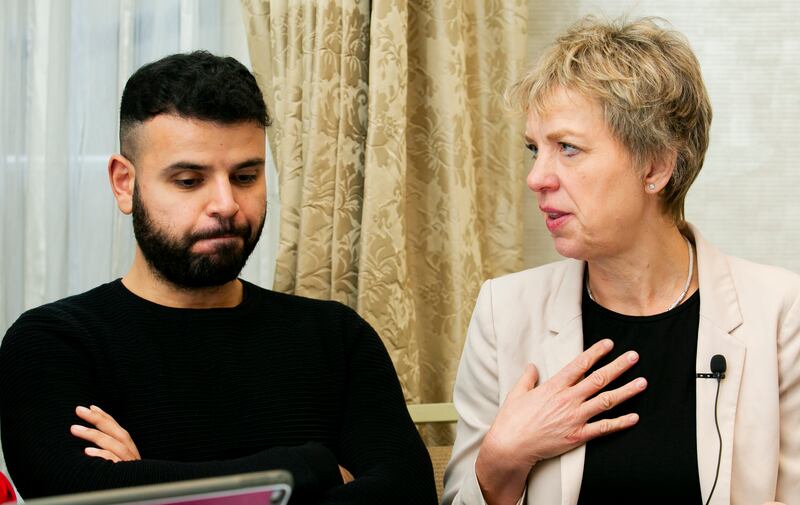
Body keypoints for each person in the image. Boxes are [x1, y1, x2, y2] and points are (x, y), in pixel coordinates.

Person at [0, 51, 437, 504]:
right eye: (190, 180)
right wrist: (313, 468)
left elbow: (407, 494)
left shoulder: (337, 337)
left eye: (246, 176)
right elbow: (73, 491)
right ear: (124, 183)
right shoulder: (53, 342)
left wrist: (148, 482)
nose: (226, 204)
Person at [442, 16, 799, 505]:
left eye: (567, 148)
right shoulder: (505, 312)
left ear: (655, 166)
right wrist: (501, 458)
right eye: (534, 150)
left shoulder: (780, 312)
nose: (537, 178)